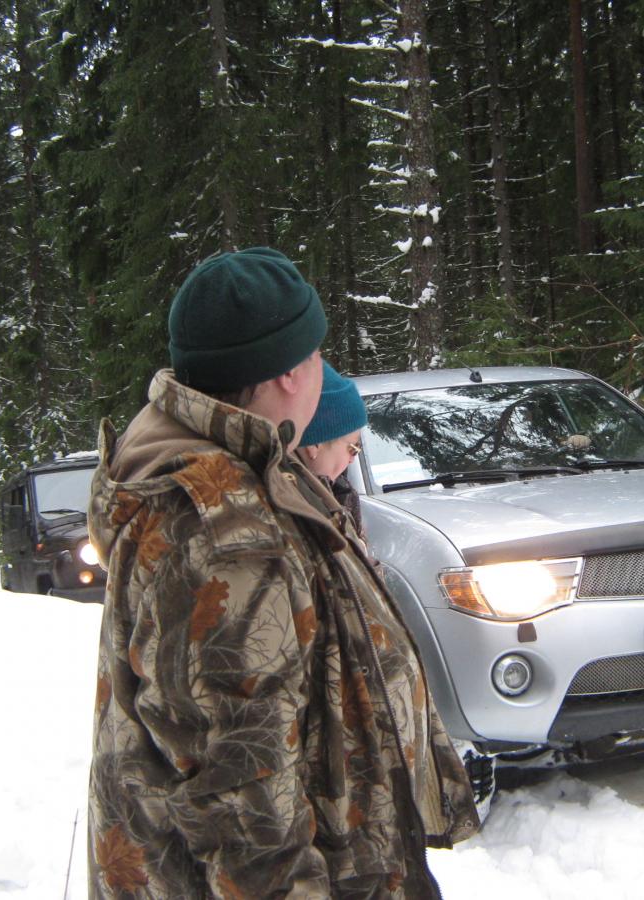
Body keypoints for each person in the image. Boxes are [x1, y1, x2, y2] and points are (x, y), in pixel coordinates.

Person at [86, 247, 479, 899]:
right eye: (318, 353)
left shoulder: (248, 471)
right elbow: (245, 806)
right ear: (292, 372)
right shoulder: (227, 536)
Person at [295, 362, 368, 536]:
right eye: (353, 449)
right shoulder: (293, 510)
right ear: (314, 445)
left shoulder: (341, 495)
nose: (352, 459)